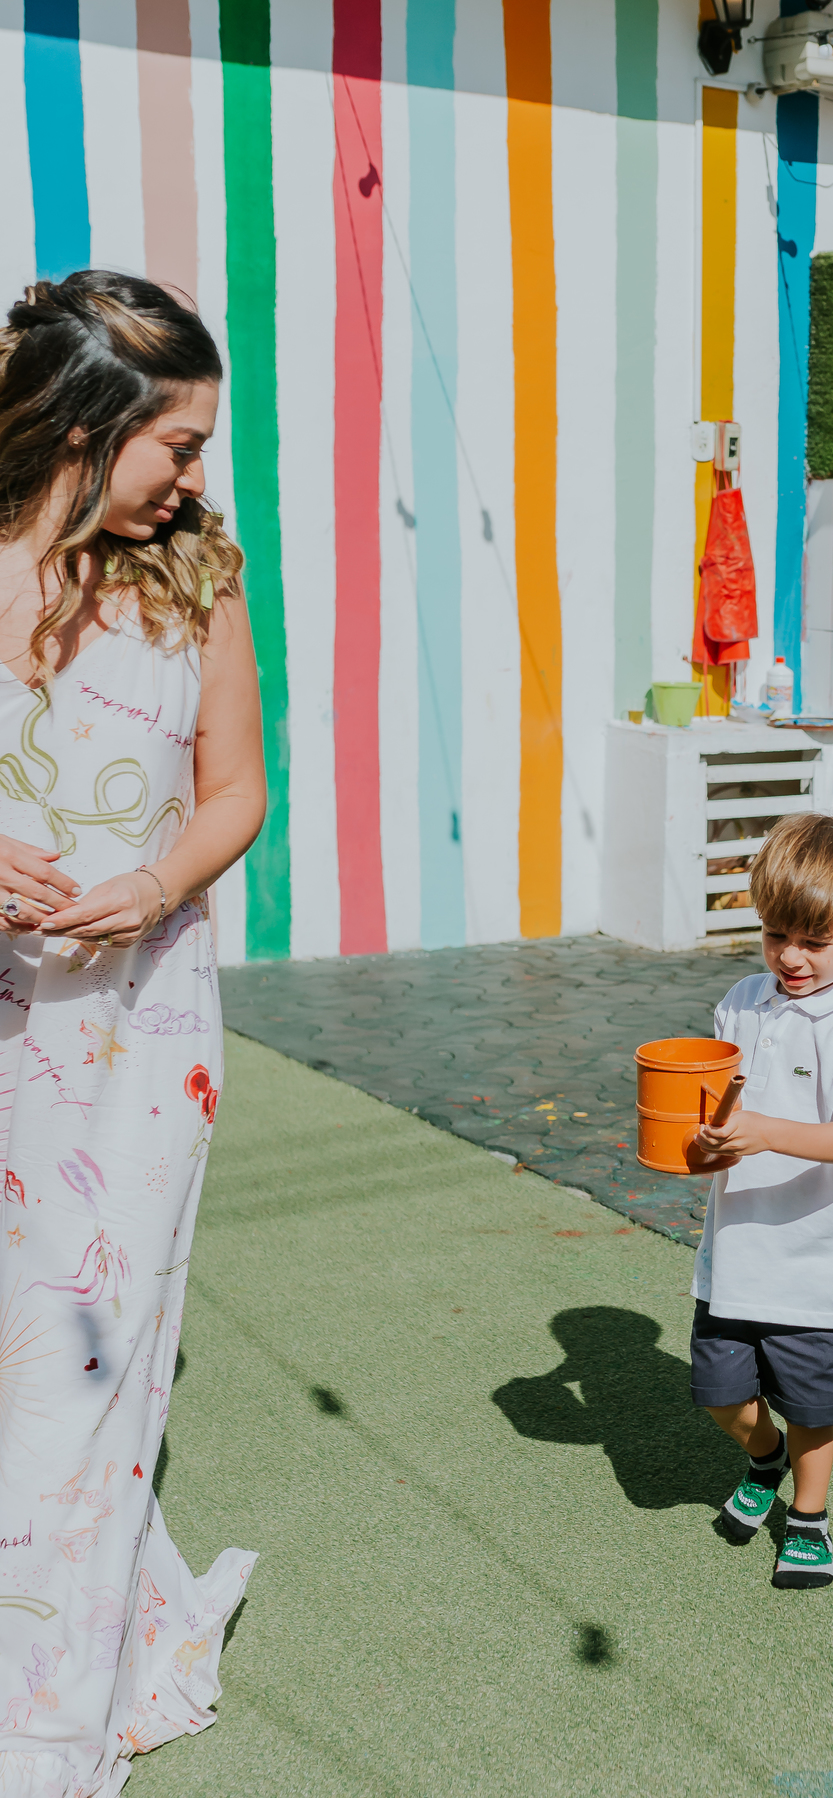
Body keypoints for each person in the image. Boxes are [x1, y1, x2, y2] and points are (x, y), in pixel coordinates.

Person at [0, 272, 265, 1795]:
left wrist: (154, 880)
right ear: (85, 426)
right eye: (177, 443)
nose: (194, 476)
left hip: (134, 1037)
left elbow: (238, 789)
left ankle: (42, 1713)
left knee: (89, 1372)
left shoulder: (200, 577)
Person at [689, 812, 833, 1590]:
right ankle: (762, 1457)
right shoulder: (742, 1001)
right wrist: (705, 1142)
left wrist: (765, 1133)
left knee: (814, 1410)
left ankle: (809, 1520)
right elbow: (719, 1108)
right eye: (778, 934)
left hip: (817, 1270)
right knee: (721, 1397)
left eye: (817, 941)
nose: (792, 957)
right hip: (738, 1255)